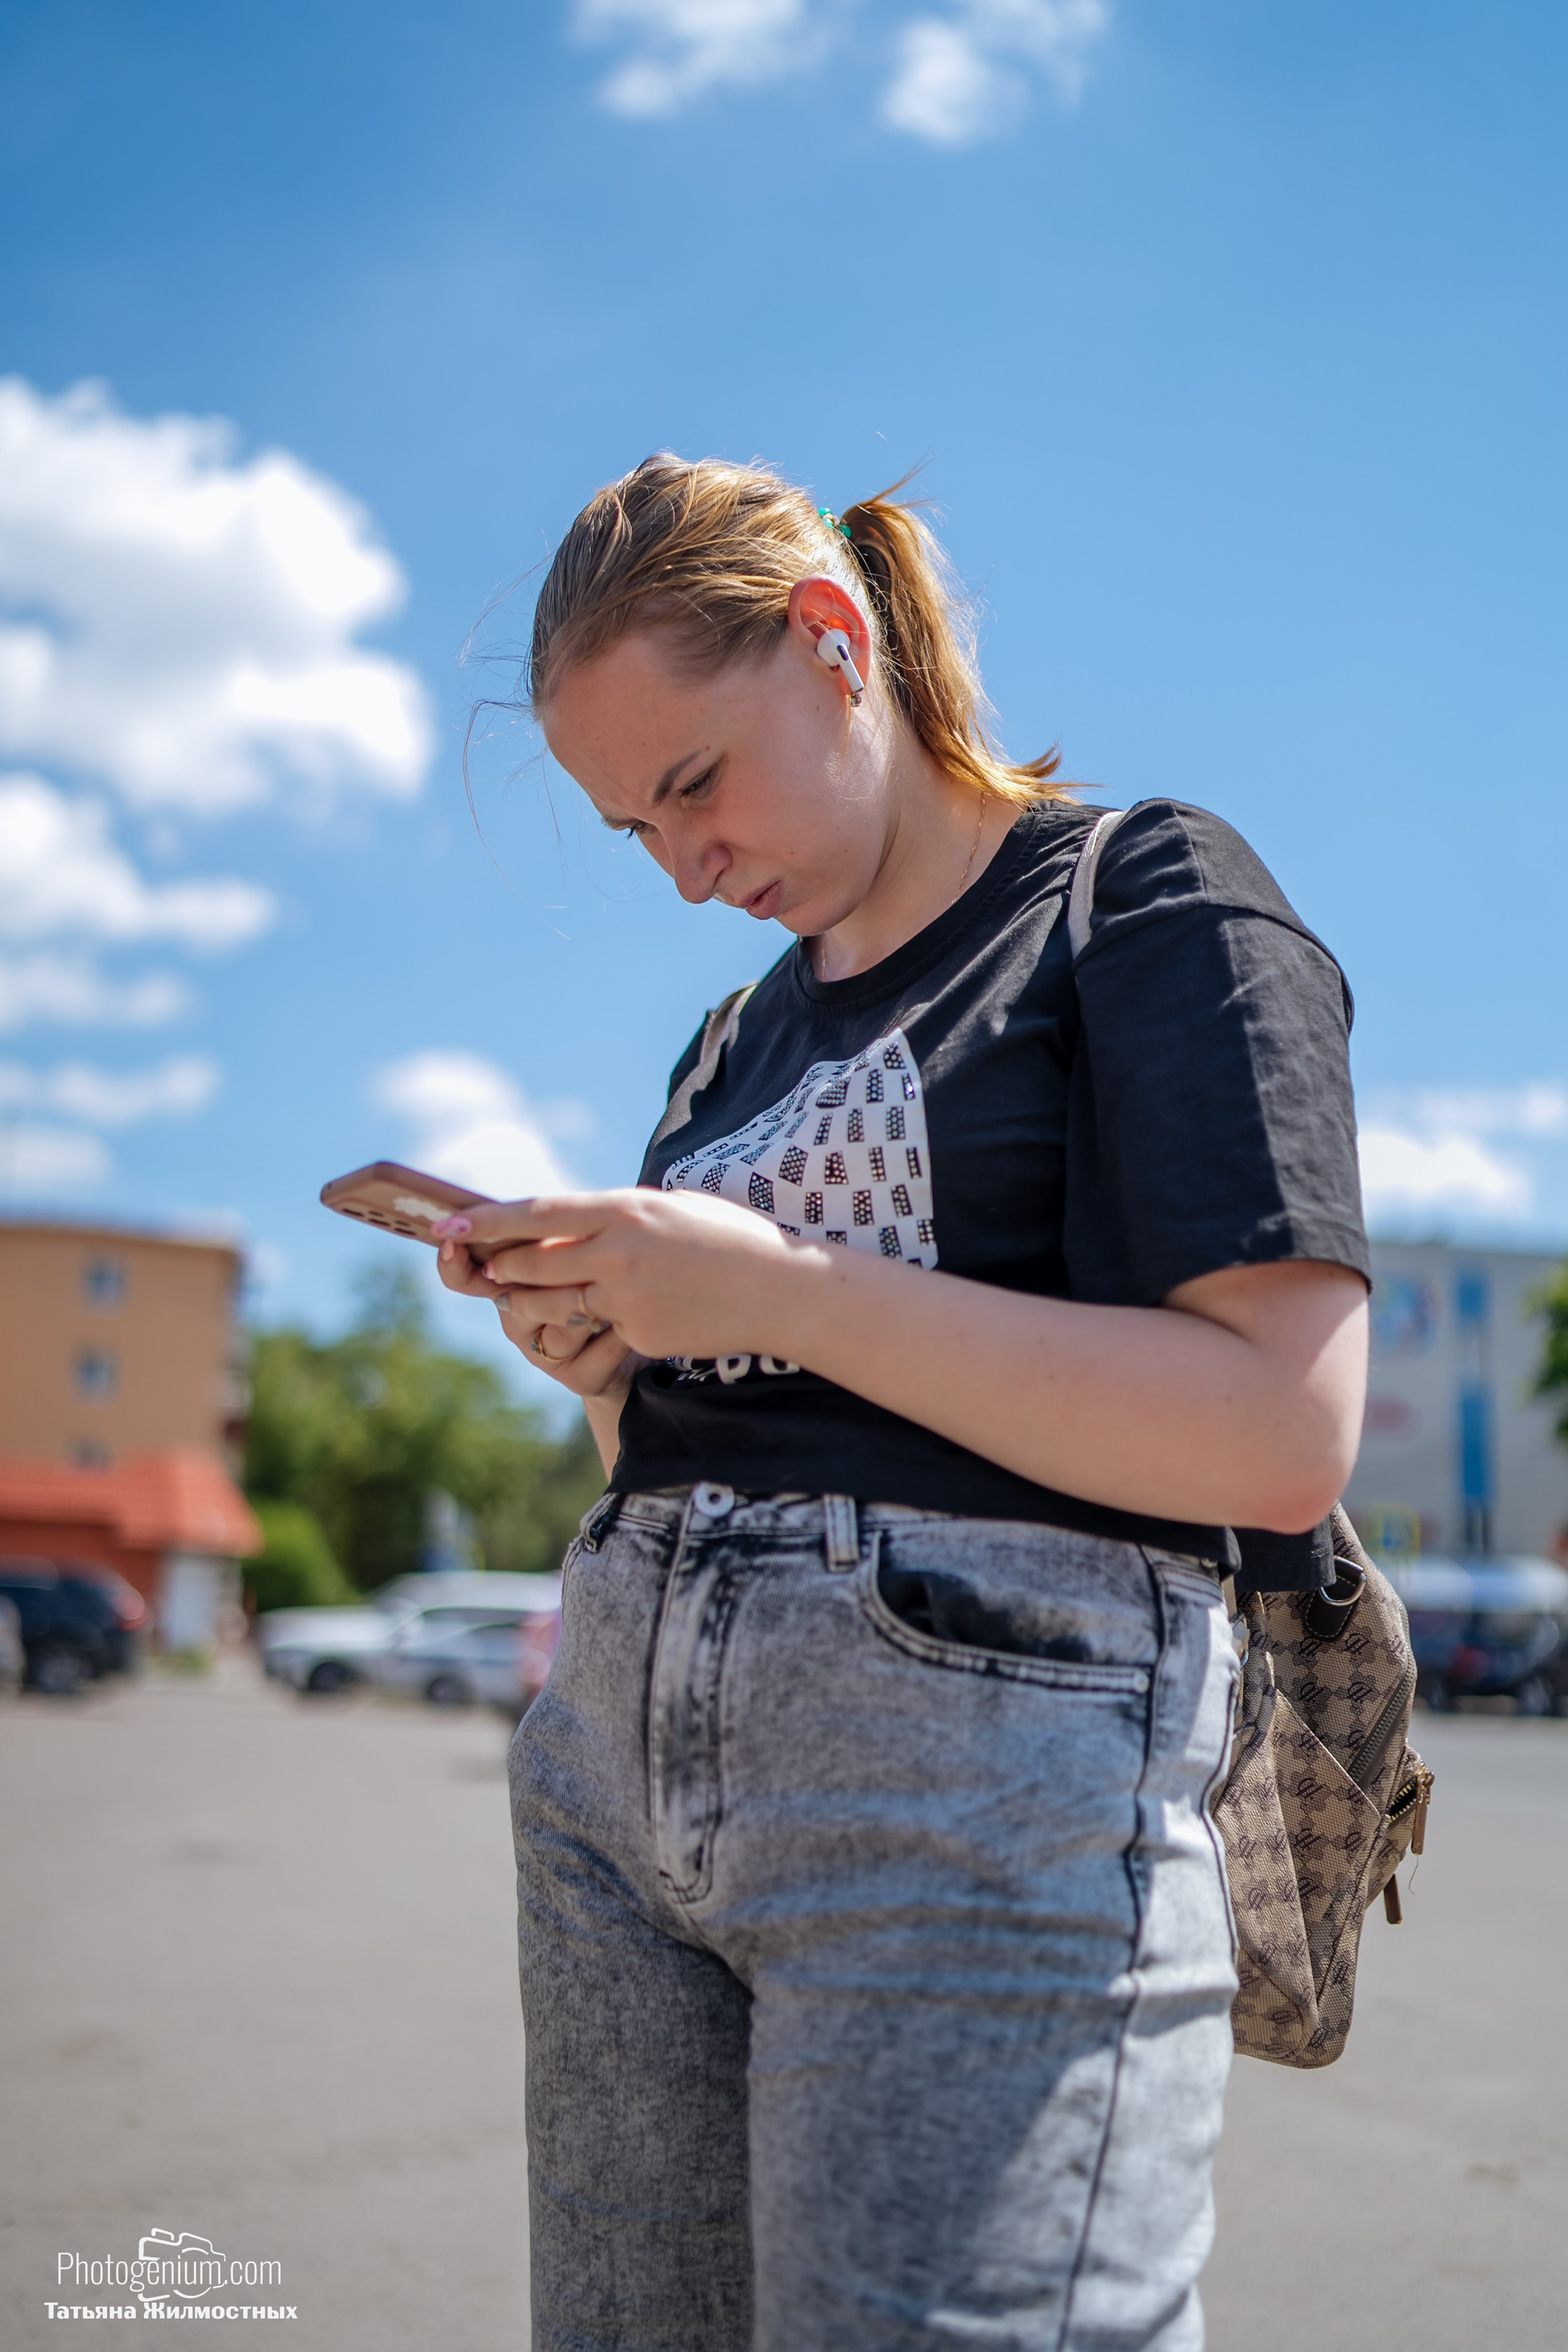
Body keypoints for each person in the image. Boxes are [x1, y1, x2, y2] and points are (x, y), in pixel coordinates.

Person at [434, 456, 1370, 2352]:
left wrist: (779, 1291)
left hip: (970, 1793)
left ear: (838, 644)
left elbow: (1281, 1434)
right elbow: (744, 1455)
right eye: (635, 832)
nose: (687, 865)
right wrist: (622, 1370)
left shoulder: (1143, 899)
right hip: (619, 1792)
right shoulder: (730, 1046)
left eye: (693, 781)